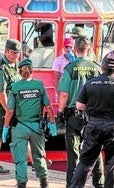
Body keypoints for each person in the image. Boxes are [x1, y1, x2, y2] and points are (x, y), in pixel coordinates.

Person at [70, 57, 114, 188]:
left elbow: (79, 105)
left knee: (85, 162)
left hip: (93, 126)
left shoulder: (90, 84)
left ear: (102, 68)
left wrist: (91, 108)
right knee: (113, 163)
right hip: (113, 127)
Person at [1, 58, 57, 188]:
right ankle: (44, 182)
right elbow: (48, 107)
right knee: (38, 156)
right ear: (32, 71)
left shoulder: (15, 88)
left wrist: (5, 128)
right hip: (36, 127)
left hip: (20, 127)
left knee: (21, 159)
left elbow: (9, 111)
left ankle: (21, 183)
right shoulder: (39, 85)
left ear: (20, 72)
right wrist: (52, 124)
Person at [57, 35, 104, 188]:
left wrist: (60, 113)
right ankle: (99, 182)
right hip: (93, 115)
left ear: (75, 49)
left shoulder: (70, 68)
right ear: (88, 49)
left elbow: (64, 94)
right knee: (95, 149)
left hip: (73, 115)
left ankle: (73, 184)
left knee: (73, 152)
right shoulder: (96, 68)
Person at [0, 39, 22, 175]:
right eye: (14, 53)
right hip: (3, 108)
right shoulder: (2, 68)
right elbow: (1, 93)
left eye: (18, 53)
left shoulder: (14, 64)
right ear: (7, 51)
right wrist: (9, 110)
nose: (17, 56)